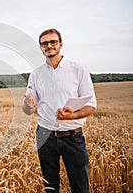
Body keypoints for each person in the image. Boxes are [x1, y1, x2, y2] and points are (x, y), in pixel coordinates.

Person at [22, 28, 97, 193]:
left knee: (81, 187)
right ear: (41, 47)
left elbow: (91, 104)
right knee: (50, 187)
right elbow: (28, 109)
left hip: (73, 136)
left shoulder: (78, 69)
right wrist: (27, 105)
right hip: (45, 136)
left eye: (53, 42)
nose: (49, 45)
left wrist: (73, 115)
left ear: (60, 44)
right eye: (44, 43)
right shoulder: (35, 74)